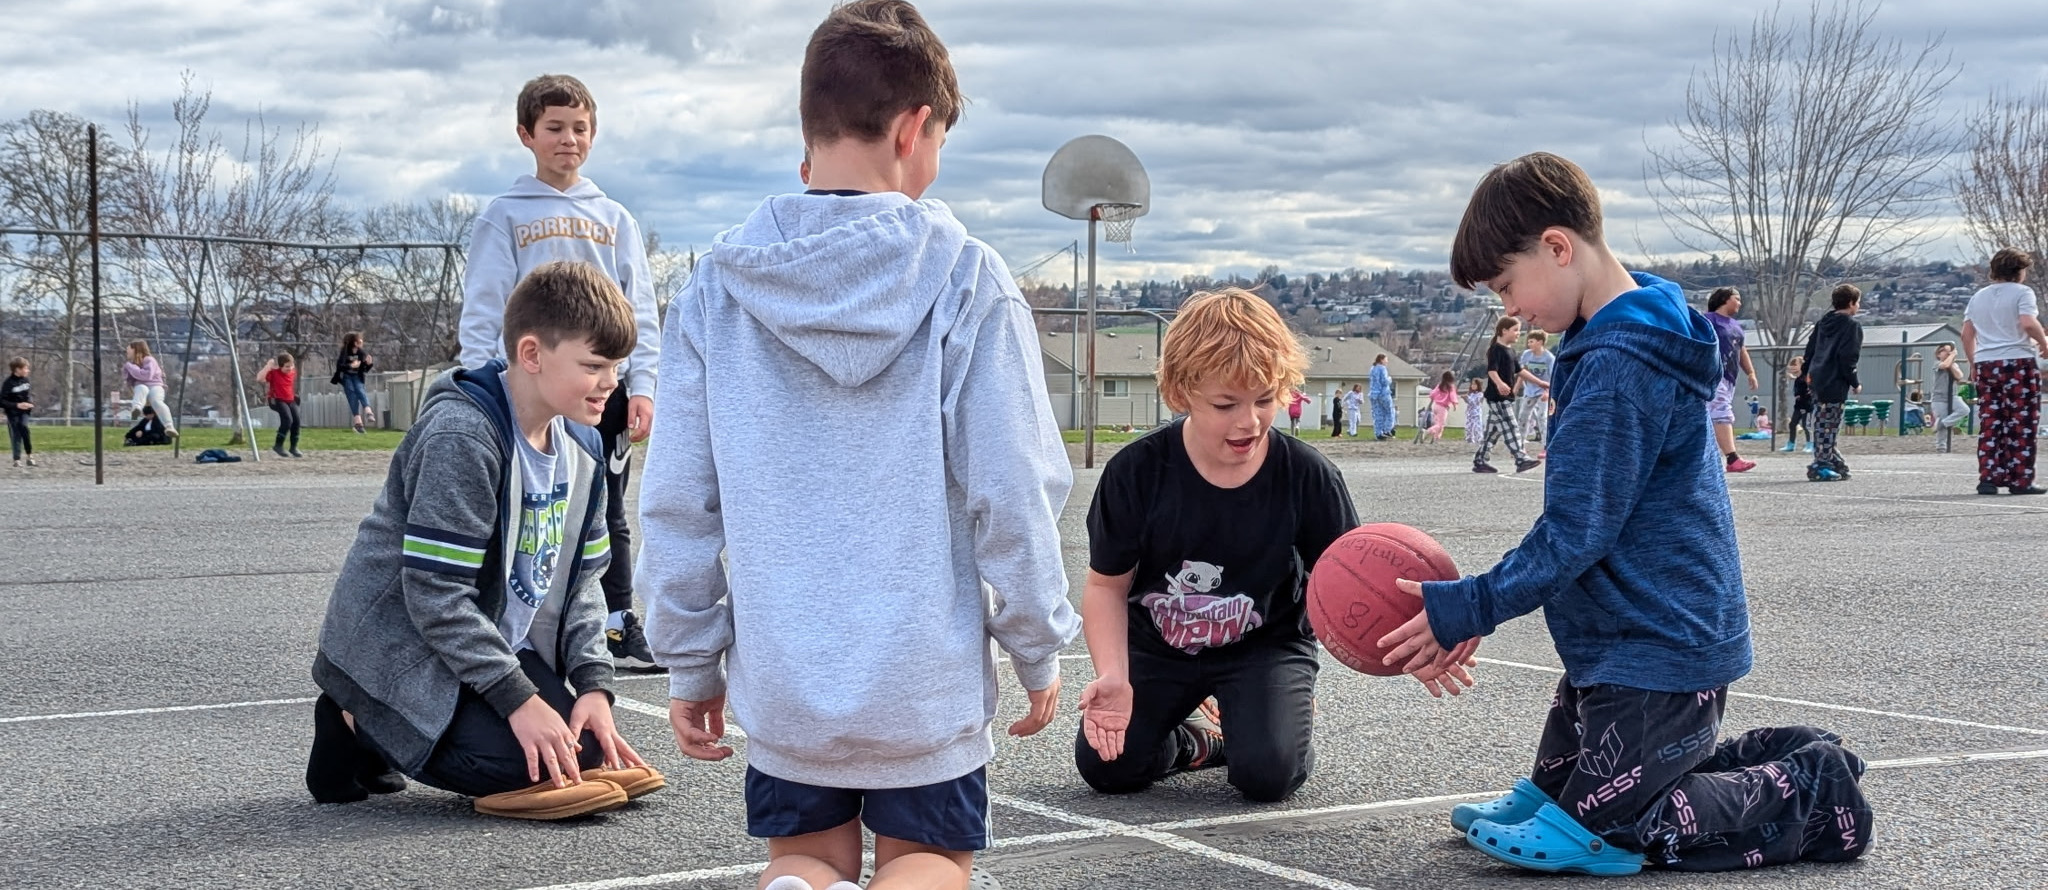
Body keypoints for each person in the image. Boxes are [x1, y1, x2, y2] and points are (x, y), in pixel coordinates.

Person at [638, 5, 1080, 888]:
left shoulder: (716, 291)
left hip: (786, 685)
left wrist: (690, 658)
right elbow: (1013, 487)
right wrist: (1036, 639)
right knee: (929, 867)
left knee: (801, 863)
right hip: (923, 689)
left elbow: (679, 502)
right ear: (914, 128)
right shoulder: (966, 278)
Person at [1383, 151, 1871, 876]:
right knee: (1565, 795)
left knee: (1621, 830)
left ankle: (1815, 786)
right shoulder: (1627, 328)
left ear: (1557, 246)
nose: (1510, 309)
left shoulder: (1621, 365)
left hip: (1662, 643)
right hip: (1618, 636)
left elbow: (1577, 530)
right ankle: (1571, 793)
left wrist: (1472, 605)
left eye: (1507, 286)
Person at [1075, 288, 1456, 810]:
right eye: (1226, 404)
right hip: (1161, 644)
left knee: (1268, 774)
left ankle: (1259, 718)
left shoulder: (1307, 476)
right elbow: (1105, 587)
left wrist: (1414, 641)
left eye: (1264, 399)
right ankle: (1195, 742)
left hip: (1264, 645)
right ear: (1182, 392)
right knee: (1108, 766)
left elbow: (1350, 586)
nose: (1249, 421)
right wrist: (1113, 675)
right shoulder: (1137, 473)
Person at [309, 262, 660, 819]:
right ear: (531, 354)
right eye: (593, 365)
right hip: (407, 645)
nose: (611, 383)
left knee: (584, 752)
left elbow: (584, 584)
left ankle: (404, 721)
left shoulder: (585, 448)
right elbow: (435, 596)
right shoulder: (463, 436)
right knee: (520, 766)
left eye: (617, 367)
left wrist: (594, 685)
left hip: (490, 640)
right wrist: (518, 698)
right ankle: (354, 712)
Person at [456, 73, 667, 672]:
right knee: (526, 504)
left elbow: (640, 311)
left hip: (599, 392)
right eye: (554, 128)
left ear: (592, 135)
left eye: (579, 128)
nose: (568, 139)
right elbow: (485, 308)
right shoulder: (505, 215)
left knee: (604, 507)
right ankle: (510, 622)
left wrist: (642, 386)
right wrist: (480, 386)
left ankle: (618, 622)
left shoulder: (614, 218)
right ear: (527, 134)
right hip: (527, 394)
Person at [1961, 248, 2047, 495]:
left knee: (1991, 420)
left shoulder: (1978, 297)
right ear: (2019, 271)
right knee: (2022, 421)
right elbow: (2028, 323)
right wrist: (2043, 343)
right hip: (2018, 361)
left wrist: (1973, 363)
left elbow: (1967, 334)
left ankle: (1988, 476)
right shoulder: (2023, 293)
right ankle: (2020, 479)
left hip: (1987, 363)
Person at [1801, 285, 1864, 482]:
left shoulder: (1823, 323)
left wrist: (1806, 374)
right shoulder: (1852, 326)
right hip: (1835, 380)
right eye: (1858, 302)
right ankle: (1822, 463)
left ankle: (1834, 461)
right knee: (1830, 424)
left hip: (1818, 378)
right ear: (1852, 303)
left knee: (1822, 420)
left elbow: (1809, 351)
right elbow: (1848, 357)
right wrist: (1854, 381)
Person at [1476, 317, 1542, 474]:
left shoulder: (1510, 351)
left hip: (1505, 397)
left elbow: (1520, 371)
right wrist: (1499, 383)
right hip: (1497, 397)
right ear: (1504, 331)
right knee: (1511, 427)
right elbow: (1492, 371)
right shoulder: (1496, 349)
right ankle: (1521, 458)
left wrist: (1540, 383)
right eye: (1515, 330)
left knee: (1493, 431)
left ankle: (1480, 460)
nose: (1518, 334)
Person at [1705, 288, 1759, 473]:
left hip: (1729, 378)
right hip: (1713, 375)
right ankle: (1732, 458)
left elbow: (1741, 350)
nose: (1740, 303)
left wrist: (1750, 372)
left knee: (1710, 416)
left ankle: (1705, 458)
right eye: (1737, 298)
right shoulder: (1708, 320)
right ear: (1725, 299)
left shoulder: (1736, 326)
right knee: (1722, 413)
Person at [121, 340, 178, 439]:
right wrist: (127, 374)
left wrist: (131, 367)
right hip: (140, 388)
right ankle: (137, 408)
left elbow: (146, 376)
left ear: (136, 349)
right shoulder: (130, 364)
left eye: (128, 349)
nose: (126, 351)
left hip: (155, 386)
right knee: (142, 388)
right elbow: (128, 379)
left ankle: (169, 427)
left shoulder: (149, 360)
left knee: (157, 402)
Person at [259, 352, 303, 459]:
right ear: (280, 366)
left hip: (290, 399)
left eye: (291, 366)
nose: (290, 368)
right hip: (277, 400)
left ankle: (293, 447)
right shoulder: (274, 373)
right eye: (287, 366)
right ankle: (278, 445)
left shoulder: (293, 372)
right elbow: (260, 378)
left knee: (296, 421)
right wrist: (268, 366)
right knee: (287, 420)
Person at [1931, 343, 1972, 454]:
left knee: (1964, 409)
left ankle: (1943, 423)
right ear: (1938, 354)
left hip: (1952, 396)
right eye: (1944, 351)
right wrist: (1951, 357)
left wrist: (1952, 363)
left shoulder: (1953, 365)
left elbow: (1959, 376)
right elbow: (1944, 365)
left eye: (1950, 352)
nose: (1948, 353)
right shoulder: (1937, 364)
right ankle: (1941, 448)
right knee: (1943, 419)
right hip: (1939, 398)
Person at [333, 332, 377, 433]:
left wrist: (369, 364)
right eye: (359, 340)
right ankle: (358, 423)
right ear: (354, 342)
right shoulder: (345, 352)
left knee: (360, 390)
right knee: (352, 396)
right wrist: (351, 366)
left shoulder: (361, 353)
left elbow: (364, 369)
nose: (362, 342)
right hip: (346, 377)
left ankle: (368, 412)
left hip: (357, 376)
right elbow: (339, 366)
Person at [1515, 331, 1554, 443]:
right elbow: (1522, 372)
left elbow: (1553, 377)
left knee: (1543, 417)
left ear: (1540, 342)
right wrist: (1516, 388)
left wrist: (1547, 392)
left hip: (1543, 391)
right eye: (1528, 341)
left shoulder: (1549, 358)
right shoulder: (1527, 354)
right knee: (1523, 416)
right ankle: (1520, 444)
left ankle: (1546, 445)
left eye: (1532, 341)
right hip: (1530, 390)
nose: (1529, 344)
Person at [1780, 356, 1813, 453]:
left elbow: (1808, 386)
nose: (1792, 367)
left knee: (1806, 425)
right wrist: (1792, 377)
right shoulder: (1798, 378)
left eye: (1795, 365)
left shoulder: (1807, 377)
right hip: (1798, 405)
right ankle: (1791, 444)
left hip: (1807, 405)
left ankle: (1810, 444)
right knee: (1792, 424)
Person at [4, 357, 33, 468]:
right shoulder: (8, 383)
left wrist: (30, 403)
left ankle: (29, 455)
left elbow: (27, 395)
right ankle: (17, 459)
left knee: (24, 427)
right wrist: (17, 405)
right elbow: (2, 401)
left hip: (24, 412)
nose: (28, 370)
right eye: (26, 368)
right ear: (17, 369)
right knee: (16, 433)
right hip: (12, 413)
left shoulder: (26, 380)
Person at [1367, 354, 1397, 439]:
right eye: (1386, 359)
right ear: (1381, 360)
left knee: (1378, 414)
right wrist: (1390, 379)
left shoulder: (1373, 368)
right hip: (1383, 393)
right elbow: (1384, 381)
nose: (1387, 361)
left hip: (1373, 394)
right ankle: (1387, 430)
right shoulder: (1382, 368)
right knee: (1389, 411)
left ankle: (1378, 433)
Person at [1423, 371, 1456, 444]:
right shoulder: (1450, 387)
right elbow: (1452, 396)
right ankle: (1427, 431)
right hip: (1443, 407)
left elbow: (1433, 393)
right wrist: (1454, 404)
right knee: (1440, 425)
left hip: (1436, 406)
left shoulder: (1440, 385)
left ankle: (1435, 438)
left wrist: (1432, 397)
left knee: (1437, 423)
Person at [1462, 376, 1485, 443]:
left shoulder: (1480, 394)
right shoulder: (1471, 394)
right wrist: (1465, 399)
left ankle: (1478, 438)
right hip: (1469, 413)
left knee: (1476, 427)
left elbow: (1474, 402)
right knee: (1469, 426)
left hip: (1476, 413)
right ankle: (1469, 438)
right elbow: (1468, 402)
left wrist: (1467, 398)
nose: (1473, 386)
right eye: (1472, 384)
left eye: (1475, 384)